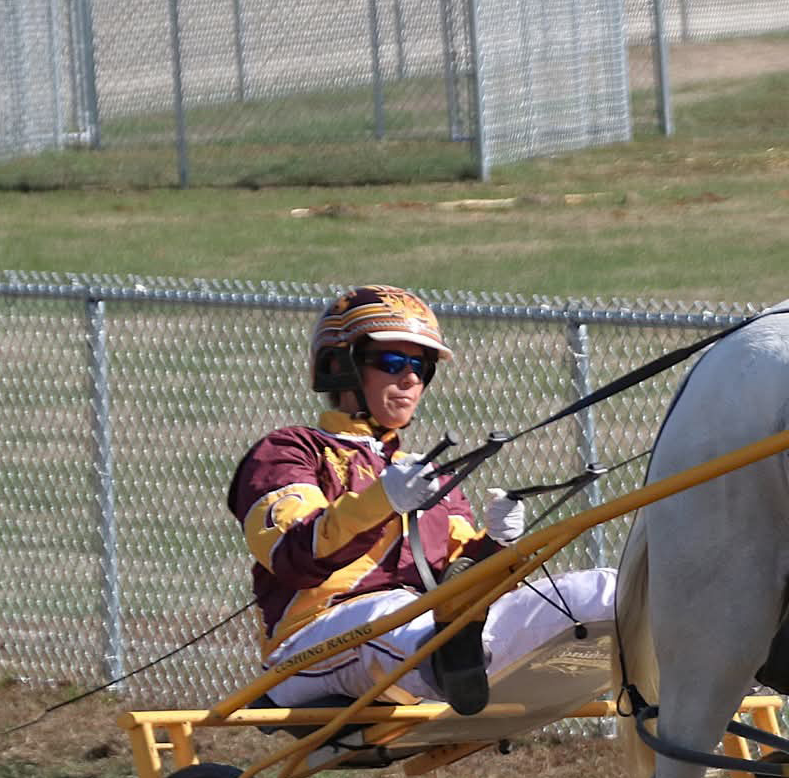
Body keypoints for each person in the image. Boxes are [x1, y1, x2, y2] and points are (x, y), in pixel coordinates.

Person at [230, 286, 615, 713]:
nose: (410, 378)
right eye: (392, 362)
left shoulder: (428, 475)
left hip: (434, 630)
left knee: (602, 590)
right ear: (340, 367)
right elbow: (293, 553)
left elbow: (461, 579)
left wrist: (499, 545)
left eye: (421, 367)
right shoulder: (290, 450)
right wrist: (384, 500)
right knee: (403, 618)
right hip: (313, 644)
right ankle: (450, 659)